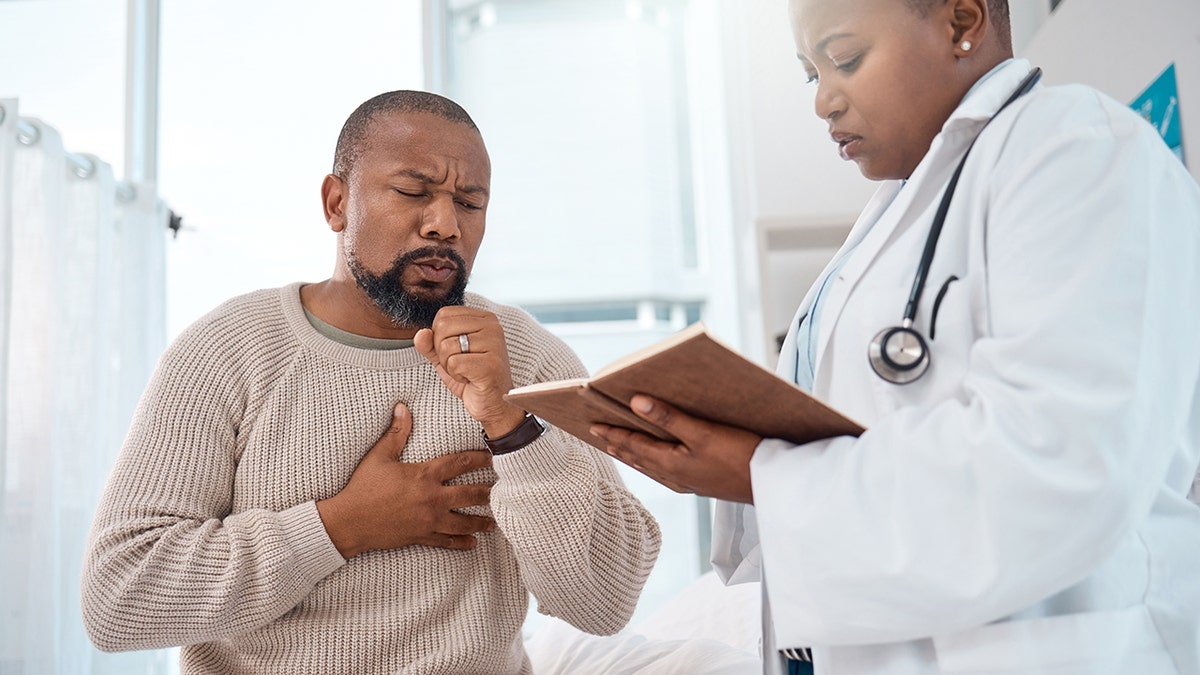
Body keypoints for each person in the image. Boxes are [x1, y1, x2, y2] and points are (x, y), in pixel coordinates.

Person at [589, 0, 1200, 673]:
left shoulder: (1080, 149)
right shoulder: (890, 220)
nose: (824, 100)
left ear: (961, 22)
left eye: (845, 58)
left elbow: (1063, 463)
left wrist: (760, 472)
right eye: (808, 73)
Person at [81, 90, 662, 674]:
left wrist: (510, 428)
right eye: (413, 192)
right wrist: (343, 525)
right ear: (337, 203)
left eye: (470, 203)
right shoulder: (230, 350)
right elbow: (117, 598)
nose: (445, 225)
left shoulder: (525, 355)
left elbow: (605, 603)